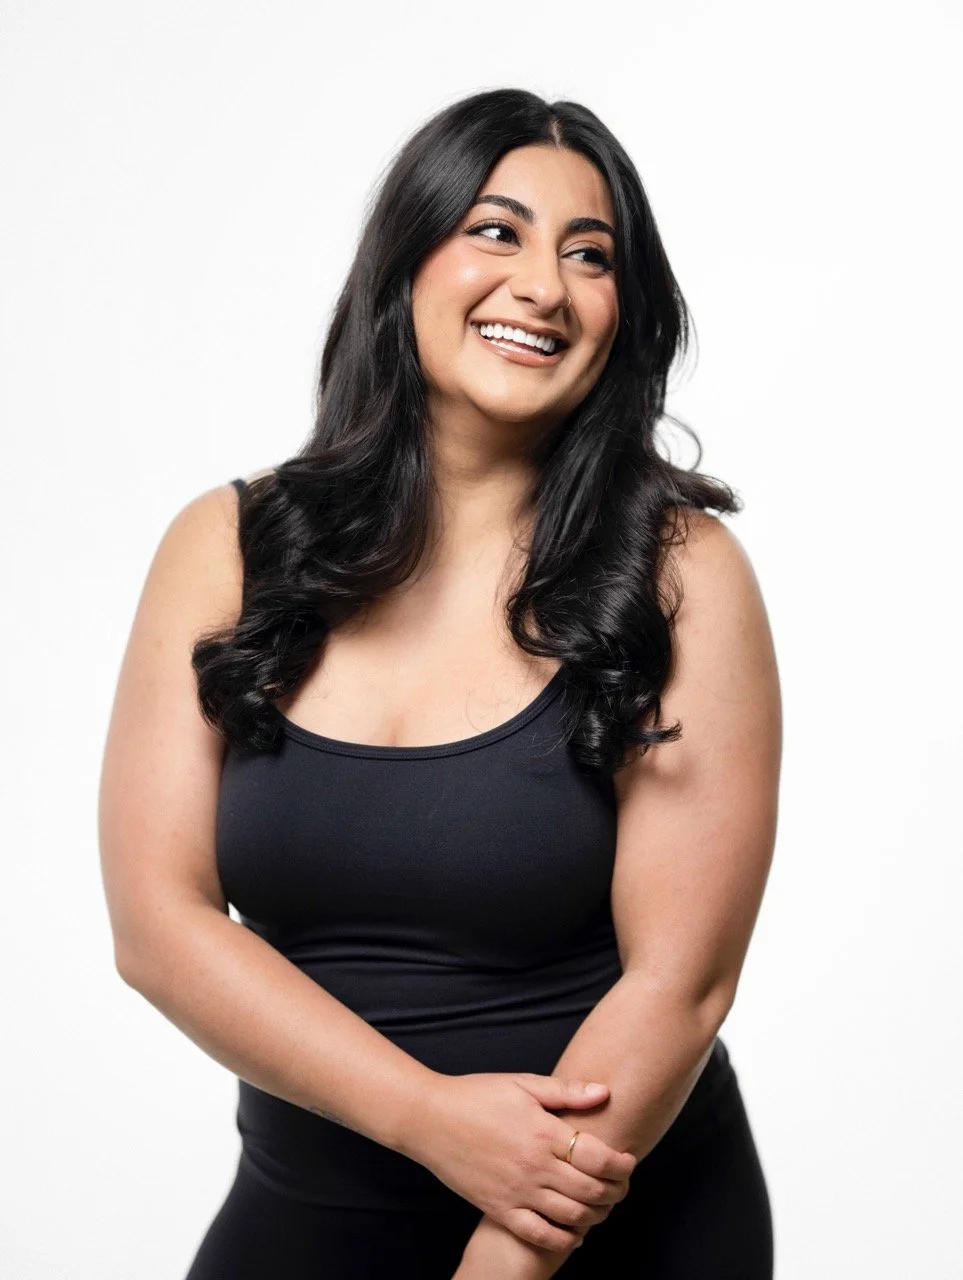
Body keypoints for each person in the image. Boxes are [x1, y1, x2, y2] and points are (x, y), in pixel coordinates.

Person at [99, 87, 781, 1279]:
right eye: (496, 231)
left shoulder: (680, 573)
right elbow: (160, 926)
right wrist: (432, 1118)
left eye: (590, 254)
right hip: (307, 1214)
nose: (543, 287)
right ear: (408, 261)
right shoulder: (227, 544)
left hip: (602, 1224)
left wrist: (506, 1248)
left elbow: (684, 980)